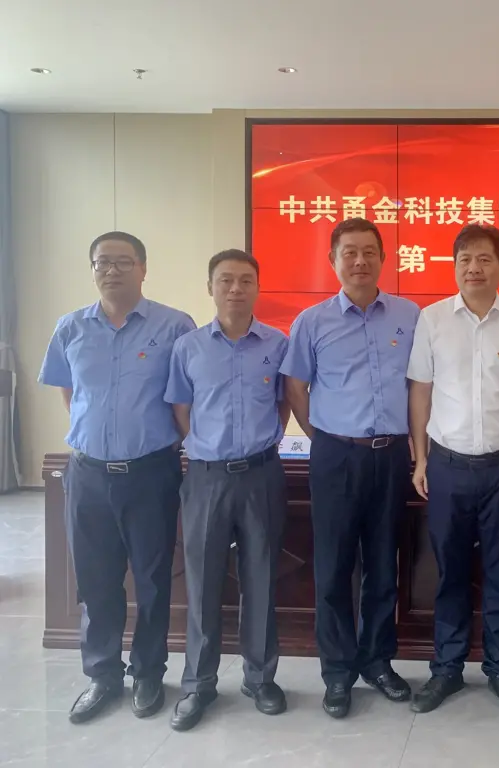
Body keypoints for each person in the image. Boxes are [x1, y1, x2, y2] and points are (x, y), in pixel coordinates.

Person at [38, 231, 196, 724]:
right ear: (92, 270)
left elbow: (185, 397)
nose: (111, 270)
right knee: (95, 579)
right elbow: (69, 393)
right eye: (102, 262)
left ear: (143, 268)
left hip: (150, 472)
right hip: (87, 474)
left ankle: (148, 672)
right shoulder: (70, 327)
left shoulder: (174, 326)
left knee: (152, 579)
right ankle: (102, 674)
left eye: (123, 262)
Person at [406, 223, 499, 718]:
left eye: (484, 258)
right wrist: (421, 458)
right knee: (449, 571)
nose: (474, 267)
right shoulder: (432, 320)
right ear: (454, 266)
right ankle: (446, 668)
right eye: (465, 258)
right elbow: (420, 392)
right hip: (447, 464)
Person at [281, 218, 420, 719]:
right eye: (349, 253)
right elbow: (295, 387)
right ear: (333, 261)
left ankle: (378, 661)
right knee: (334, 566)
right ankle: (337, 672)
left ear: (383, 258)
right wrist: (323, 435)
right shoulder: (311, 321)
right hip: (336, 455)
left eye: (368, 252)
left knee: (384, 564)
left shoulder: (409, 315)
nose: (359, 261)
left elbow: (421, 385)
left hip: (393, 454)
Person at [163, 250, 290, 731]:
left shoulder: (277, 344)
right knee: (202, 582)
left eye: (245, 280)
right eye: (225, 280)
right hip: (206, 477)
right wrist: (209, 450)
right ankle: (198, 684)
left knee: (261, 577)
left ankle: (260, 679)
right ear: (210, 287)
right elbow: (181, 410)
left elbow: (283, 405)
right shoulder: (189, 347)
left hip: (261, 474)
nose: (235, 289)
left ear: (257, 287)